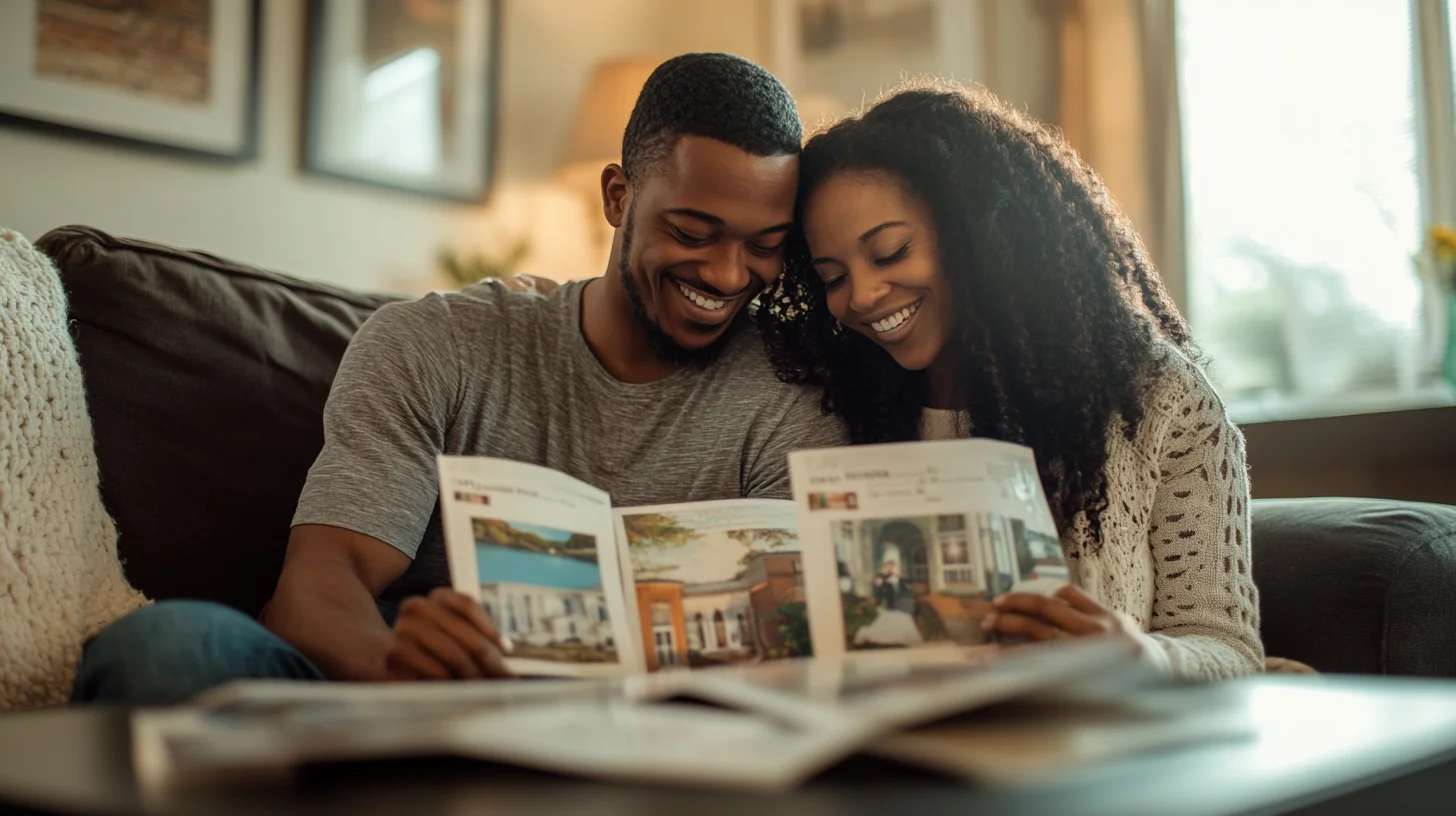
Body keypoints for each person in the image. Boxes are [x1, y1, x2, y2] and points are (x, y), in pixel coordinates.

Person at [71, 53, 846, 705]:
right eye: (691, 232)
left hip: (664, 735)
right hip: (399, 707)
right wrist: (392, 668)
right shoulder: (435, 344)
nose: (726, 272)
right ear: (618, 197)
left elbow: (802, 638)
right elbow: (320, 582)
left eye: (764, 244)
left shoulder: (786, 393)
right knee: (168, 648)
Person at [757, 80, 1264, 679]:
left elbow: (1232, 651)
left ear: (979, 237)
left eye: (891, 252)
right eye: (833, 277)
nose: (862, 296)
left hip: (1097, 751)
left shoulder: (1158, 401)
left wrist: (1139, 655)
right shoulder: (833, 404)